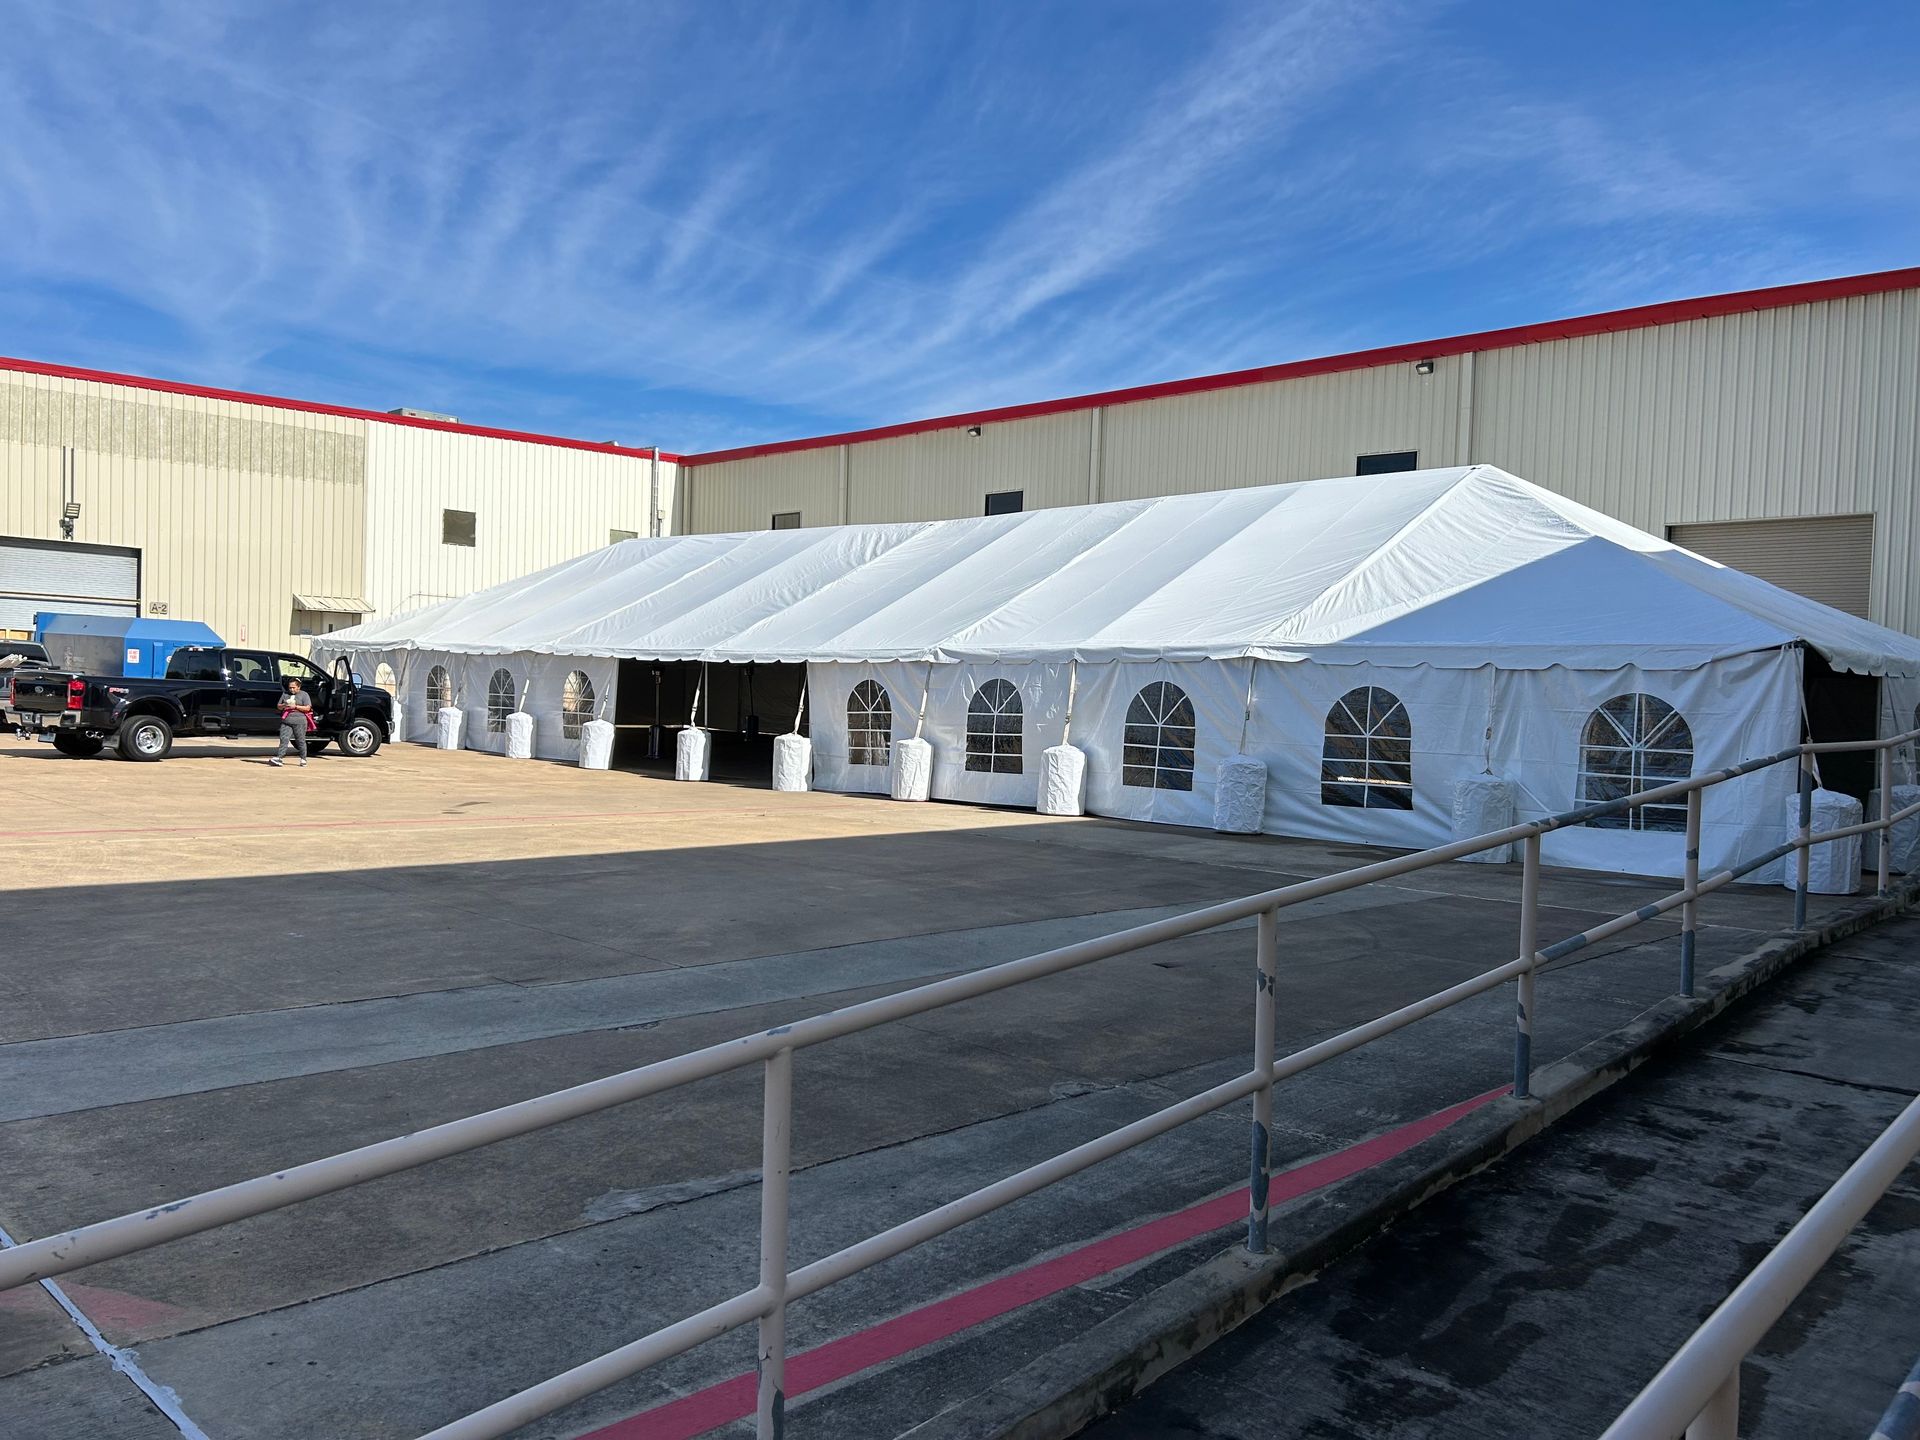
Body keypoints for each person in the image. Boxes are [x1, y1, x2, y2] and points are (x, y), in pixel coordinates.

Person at [271, 679, 313, 767]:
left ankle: (303, 758)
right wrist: (284, 705)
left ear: (299, 687)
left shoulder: (304, 695)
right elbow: (279, 706)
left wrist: (296, 706)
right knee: (284, 739)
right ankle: (279, 758)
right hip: (286, 721)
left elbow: (307, 708)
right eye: (290, 688)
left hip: (300, 721)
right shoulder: (285, 694)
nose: (292, 690)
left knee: (300, 740)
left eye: (294, 688)